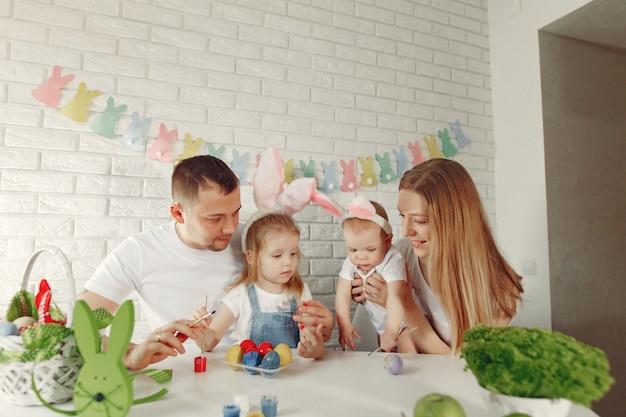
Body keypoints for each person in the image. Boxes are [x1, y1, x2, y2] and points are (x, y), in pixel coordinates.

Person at [79, 154, 333, 370]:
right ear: (179, 213)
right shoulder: (138, 252)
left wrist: (322, 325)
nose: (231, 227)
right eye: (215, 218)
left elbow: (289, 305)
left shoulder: (253, 239)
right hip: (187, 374)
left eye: (235, 212)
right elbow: (79, 327)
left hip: (258, 367)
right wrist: (128, 355)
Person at [351, 158, 523, 353]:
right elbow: (387, 346)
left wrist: (405, 305)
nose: (406, 231)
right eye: (402, 216)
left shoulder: (497, 290)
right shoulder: (401, 254)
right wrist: (371, 298)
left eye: (420, 221)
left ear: (454, 221)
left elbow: (462, 367)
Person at [192, 212, 326, 359]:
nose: (288, 262)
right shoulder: (240, 295)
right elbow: (208, 343)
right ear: (252, 257)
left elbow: (311, 342)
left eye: (293, 253)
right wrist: (200, 333)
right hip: (249, 378)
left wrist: (316, 350)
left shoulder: (300, 292)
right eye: (277, 255)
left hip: (290, 376)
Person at [335, 197, 408, 352]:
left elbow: (396, 296)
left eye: (370, 249)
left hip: (403, 324)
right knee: (385, 358)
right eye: (353, 250)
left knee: (408, 356)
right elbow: (342, 292)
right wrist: (344, 324)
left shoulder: (392, 259)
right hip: (381, 326)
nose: (361, 257)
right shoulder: (352, 261)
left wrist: (391, 330)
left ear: (388, 241)